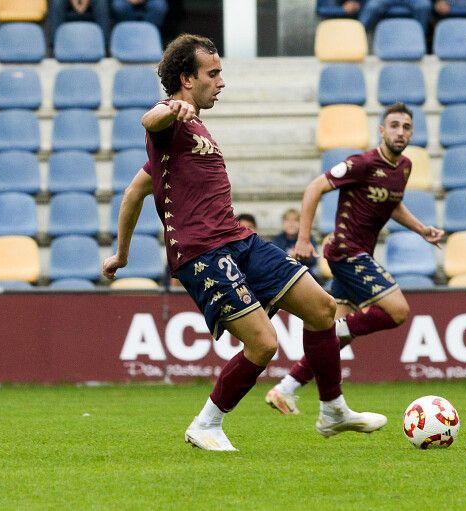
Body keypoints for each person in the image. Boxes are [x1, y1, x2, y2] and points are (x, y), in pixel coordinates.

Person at [101, 34, 385, 451]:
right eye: (212, 74)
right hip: (202, 251)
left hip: (238, 239)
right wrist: (169, 108)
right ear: (186, 78)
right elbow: (149, 120)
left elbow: (133, 194)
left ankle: (332, 410)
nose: (220, 82)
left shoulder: (192, 132)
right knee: (264, 342)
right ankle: (206, 424)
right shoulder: (170, 122)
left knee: (323, 308)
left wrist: (121, 254)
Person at [265, 103, 444, 415]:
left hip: (359, 255)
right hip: (347, 252)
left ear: (412, 133)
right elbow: (315, 187)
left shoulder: (403, 167)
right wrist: (304, 239)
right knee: (398, 311)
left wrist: (420, 230)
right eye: (394, 125)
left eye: (405, 127)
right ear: (382, 130)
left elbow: (393, 204)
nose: (400, 132)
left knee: (334, 340)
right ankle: (337, 336)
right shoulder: (362, 163)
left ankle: (286, 389)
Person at [269, 208, 318, 274]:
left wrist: (300, 256)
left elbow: (314, 260)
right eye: (287, 220)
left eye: (296, 220)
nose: (291, 223)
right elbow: (274, 259)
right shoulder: (278, 239)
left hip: (306, 273)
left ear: (302, 223)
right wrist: (289, 255)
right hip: (284, 274)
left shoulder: (308, 239)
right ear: (283, 223)